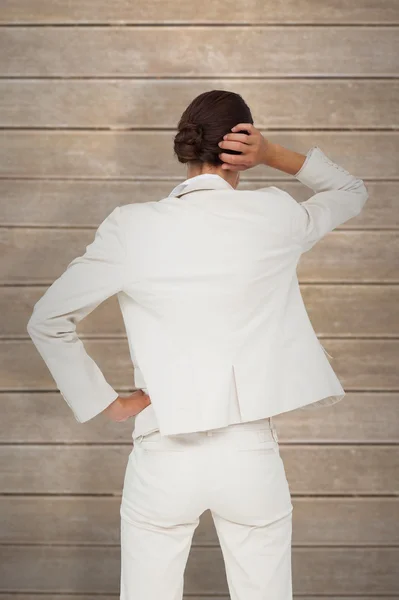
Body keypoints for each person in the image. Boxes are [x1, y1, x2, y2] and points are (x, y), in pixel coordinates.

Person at [27, 90, 369, 599]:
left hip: (164, 448)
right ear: (241, 146)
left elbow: (48, 319)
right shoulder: (275, 216)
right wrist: (274, 154)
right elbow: (350, 190)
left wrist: (108, 402)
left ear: (187, 148)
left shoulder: (132, 226)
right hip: (249, 453)